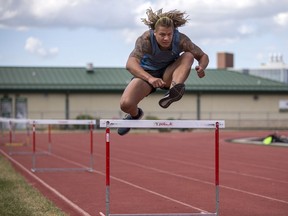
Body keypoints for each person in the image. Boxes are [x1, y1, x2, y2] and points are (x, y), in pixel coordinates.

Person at [118, 8, 209, 135]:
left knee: (188, 55)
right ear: (154, 32)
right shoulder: (146, 40)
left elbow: (203, 56)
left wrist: (202, 67)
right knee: (125, 104)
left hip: (168, 74)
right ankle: (135, 115)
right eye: (162, 35)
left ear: (173, 32)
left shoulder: (181, 40)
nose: (166, 38)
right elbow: (130, 64)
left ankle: (174, 89)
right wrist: (150, 78)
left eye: (169, 34)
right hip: (147, 75)